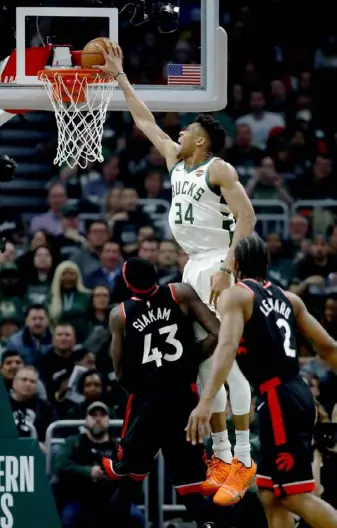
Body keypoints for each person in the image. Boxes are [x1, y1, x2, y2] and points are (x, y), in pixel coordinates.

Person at [96, 42, 257, 495]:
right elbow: (145, 121)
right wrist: (121, 77)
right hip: (193, 268)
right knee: (206, 368)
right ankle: (224, 456)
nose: (179, 132)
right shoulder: (176, 163)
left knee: (228, 365)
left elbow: (247, 218)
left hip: (216, 263)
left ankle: (241, 455)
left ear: (201, 139)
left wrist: (230, 265)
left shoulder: (218, 168)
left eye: (186, 129)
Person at [186, 235, 337, 528]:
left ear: (235, 264)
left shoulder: (238, 295)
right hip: (294, 393)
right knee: (269, 493)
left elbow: (227, 347)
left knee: (294, 496)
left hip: (280, 397)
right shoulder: (289, 298)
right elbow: (328, 347)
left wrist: (206, 401)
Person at [102, 257, 230, 528]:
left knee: (128, 477)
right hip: (183, 398)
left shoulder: (120, 314)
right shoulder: (179, 293)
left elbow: (120, 368)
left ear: (126, 283)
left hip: (147, 401)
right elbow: (217, 333)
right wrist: (191, 359)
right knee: (191, 481)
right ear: (156, 273)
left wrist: (140, 387)